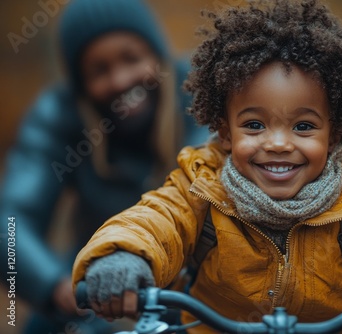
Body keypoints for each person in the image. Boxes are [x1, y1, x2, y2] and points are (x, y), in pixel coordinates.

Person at [72, 0, 342, 333]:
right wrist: (123, 257)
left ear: (334, 134)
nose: (279, 143)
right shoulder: (199, 186)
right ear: (225, 133)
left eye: (303, 126)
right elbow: (155, 220)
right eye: (254, 125)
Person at [0, 0, 208, 333]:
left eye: (132, 58)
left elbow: (210, 179)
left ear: (157, 55)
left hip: (193, 292)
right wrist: (52, 285)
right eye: (99, 70)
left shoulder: (202, 95)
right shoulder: (56, 118)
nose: (121, 79)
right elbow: (11, 223)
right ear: (80, 85)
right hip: (94, 292)